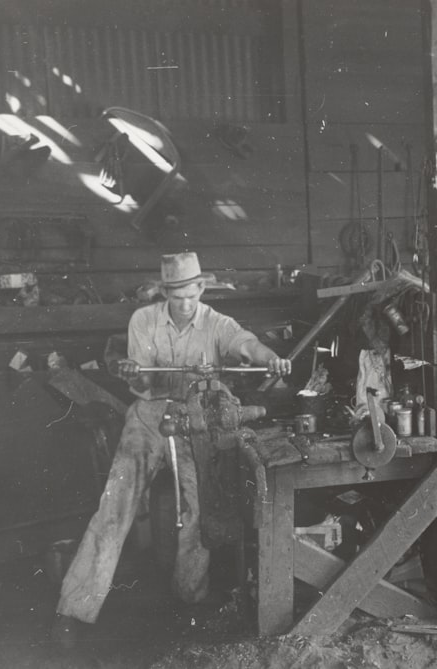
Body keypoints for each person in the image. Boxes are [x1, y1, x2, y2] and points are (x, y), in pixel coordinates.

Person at [51, 252, 290, 648]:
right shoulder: (143, 320)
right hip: (148, 418)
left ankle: (191, 598)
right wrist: (132, 370)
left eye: (190, 295)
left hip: (196, 421)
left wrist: (272, 360)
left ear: (200, 288)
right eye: (176, 296)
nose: (184, 304)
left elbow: (245, 344)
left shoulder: (216, 322)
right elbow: (144, 380)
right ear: (166, 293)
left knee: (198, 510)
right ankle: (72, 611)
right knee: (114, 509)